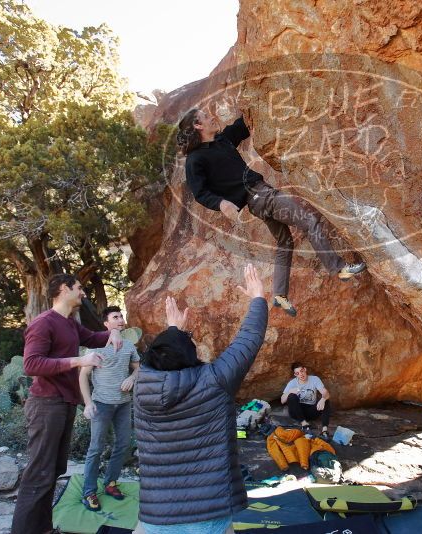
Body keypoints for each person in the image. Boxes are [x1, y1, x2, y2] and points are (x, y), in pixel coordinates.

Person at [178, 109, 366, 317]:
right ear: (198, 125)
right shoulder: (195, 160)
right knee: (309, 220)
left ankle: (279, 294)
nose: (212, 116)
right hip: (260, 197)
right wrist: (221, 203)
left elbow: (242, 124)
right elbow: (200, 192)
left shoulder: (222, 140)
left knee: (284, 243)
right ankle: (339, 268)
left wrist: (253, 103)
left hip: (260, 198)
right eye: (206, 116)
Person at [134, 264, 267, 534]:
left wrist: (173, 331)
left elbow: (160, 359)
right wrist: (258, 298)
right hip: (209, 513)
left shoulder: (142, 387)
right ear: (189, 356)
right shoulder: (214, 380)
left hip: (156, 515)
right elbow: (248, 340)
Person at [11, 274, 122, 534]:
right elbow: (31, 364)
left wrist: (114, 331)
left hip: (63, 403)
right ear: (64, 289)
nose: (83, 293)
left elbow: (94, 338)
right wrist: (78, 361)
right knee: (39, 473)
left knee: (54, 470)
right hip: (46, 404)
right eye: (79, 288)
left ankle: (43, 529)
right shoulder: (43, 323)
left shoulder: (69, 323)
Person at [78, 305, 141, 511]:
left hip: (123, 404)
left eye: (122, 315)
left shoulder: (129, 346)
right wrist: (88, 403)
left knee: (122, 445)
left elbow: (138, 368)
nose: (121, 319)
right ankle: (88, 492)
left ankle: (110, 483)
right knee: (95, 449)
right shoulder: (96, 345)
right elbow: (83, 375)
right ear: (106, 323)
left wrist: (132, 377)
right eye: (116, 317)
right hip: (102, 404)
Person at [281, 362, 332, 438]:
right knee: (291, 396)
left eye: (301, 371)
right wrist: (290, 391)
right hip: (297, 412)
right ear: (295, 375)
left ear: (305, 369)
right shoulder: (292, 383)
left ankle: (324, 431)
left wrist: (323, 399)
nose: (301, 374)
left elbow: (326, 393)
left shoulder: (314, 379)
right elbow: (282, 400)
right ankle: (304, 424)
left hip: (311, 411)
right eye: (297, 373)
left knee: (326, 401)